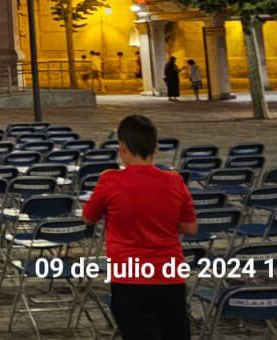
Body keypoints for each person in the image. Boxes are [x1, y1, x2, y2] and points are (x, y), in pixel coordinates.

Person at [83, 114, 198, 339]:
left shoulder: (110, 181)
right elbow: (190, 228)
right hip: (169, 275)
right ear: (155, 148)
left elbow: (88, 217)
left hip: (129, 278)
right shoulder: (175, 181)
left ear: (123, 148)